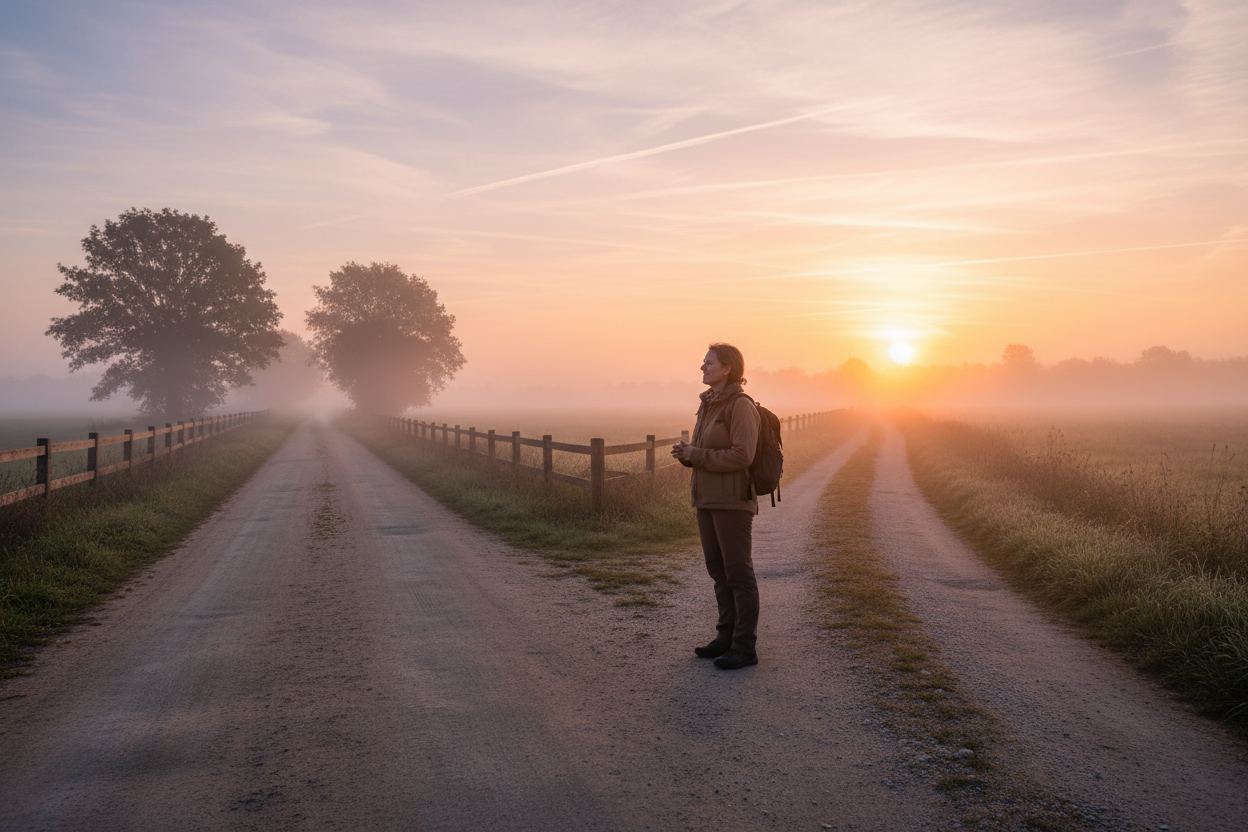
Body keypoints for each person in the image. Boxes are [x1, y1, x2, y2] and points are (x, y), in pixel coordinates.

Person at [671, 343, 761, 670]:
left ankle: (744, 647)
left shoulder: (740, 406)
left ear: (727, 368)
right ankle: (726, 637)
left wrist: (698, 455)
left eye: (708, 363)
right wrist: (688, 455)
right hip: (706, 499)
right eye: (703, 362)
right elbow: (706, 453)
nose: (702, 367)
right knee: (718, 572)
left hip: (732, 502)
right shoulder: (708, 405)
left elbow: (742, 455)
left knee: (738, 573)